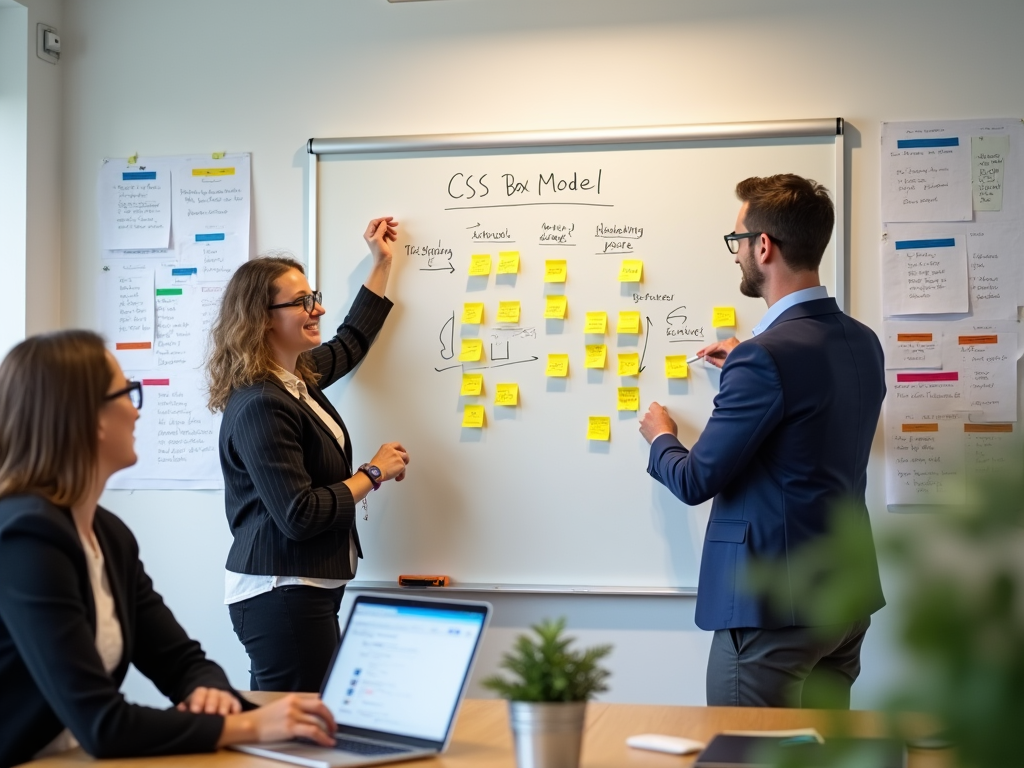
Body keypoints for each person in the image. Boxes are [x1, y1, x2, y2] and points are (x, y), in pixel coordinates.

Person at [0, 330, 341, 768]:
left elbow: (181, 662)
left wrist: (212, 695)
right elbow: (102, 723)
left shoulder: (108, 535)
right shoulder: (24, 538)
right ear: (90, 418)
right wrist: (253, 726)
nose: (136, 412)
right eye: (126, 392)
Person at [639, 174, 886, 709]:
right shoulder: (862, 342)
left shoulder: (765, 358)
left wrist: (661, 437)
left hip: (772, 611)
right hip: (843, 602)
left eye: (737, 241)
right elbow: (804, 421)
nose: (736, 255)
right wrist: (749, 365)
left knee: (741, 755)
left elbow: (694, 478)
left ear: (764, 246)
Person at [207, 217, 410, 693]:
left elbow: (349, 343)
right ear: (261, 319)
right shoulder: (261, 401)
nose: (315, 308)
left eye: (313, 297)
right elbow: (299, 514)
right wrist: (373, 473)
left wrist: (380, 263)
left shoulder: (294, 377)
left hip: (299, 589)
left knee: (289, 730)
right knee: (296, 734)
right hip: (280, 591)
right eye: (301, 303)